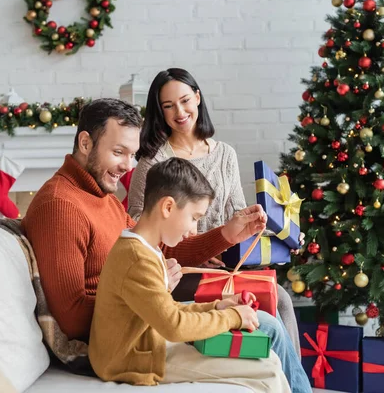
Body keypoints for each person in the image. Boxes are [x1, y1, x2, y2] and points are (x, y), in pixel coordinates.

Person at [21, 98, 267, 345]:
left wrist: (227, 235)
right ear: (85, 143)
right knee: (267, 327)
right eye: (118, 152)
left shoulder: (103, 198)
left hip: (144, 315)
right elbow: (72, 319)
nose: (128, 166)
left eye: (131, 155)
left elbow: (159, 247)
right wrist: (155, 289)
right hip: (122, 341)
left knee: (263, 320)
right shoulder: (60, 206)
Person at [128, 68, 302, 355]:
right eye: (168, 106)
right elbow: (137, 223)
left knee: (280, 298)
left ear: (197, 98)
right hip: (183, 273)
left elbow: (237, 214)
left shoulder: (225, 155)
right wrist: (194, 244)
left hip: (228, 269)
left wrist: (282, 232)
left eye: (185, 100)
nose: (179, 112)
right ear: (159, 111)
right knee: (275, 301)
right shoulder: (153, 161)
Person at [89, 157, 290, 392]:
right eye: (194, 218)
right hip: (133, 360)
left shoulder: (147, 248)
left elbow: (168, 312)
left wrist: (218, 307)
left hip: (148, 343)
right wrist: (234, 317)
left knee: (269, 361)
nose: (193, 229)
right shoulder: (136, 259)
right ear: (168, 207)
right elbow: (174, 326)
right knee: (267, 370)